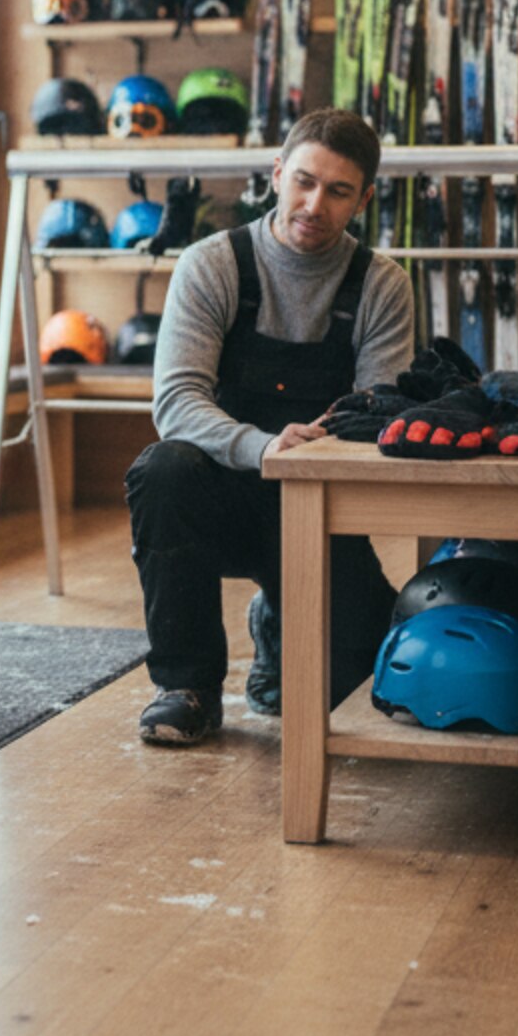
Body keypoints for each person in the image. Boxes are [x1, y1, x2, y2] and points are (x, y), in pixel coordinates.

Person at [124, 108, 414, 746]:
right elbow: (176, 401)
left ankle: (277, 620)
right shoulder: (213, 264)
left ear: (363, 199)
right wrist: (265, 447)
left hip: (318, 506)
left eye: (338, 191)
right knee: (162, 468)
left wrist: (313, 459)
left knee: (362, 692)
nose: (314, 204)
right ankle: (188, 685)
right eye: (304, 181)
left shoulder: (381, 285)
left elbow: (380, 413)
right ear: (277, 174)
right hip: (218, 499)